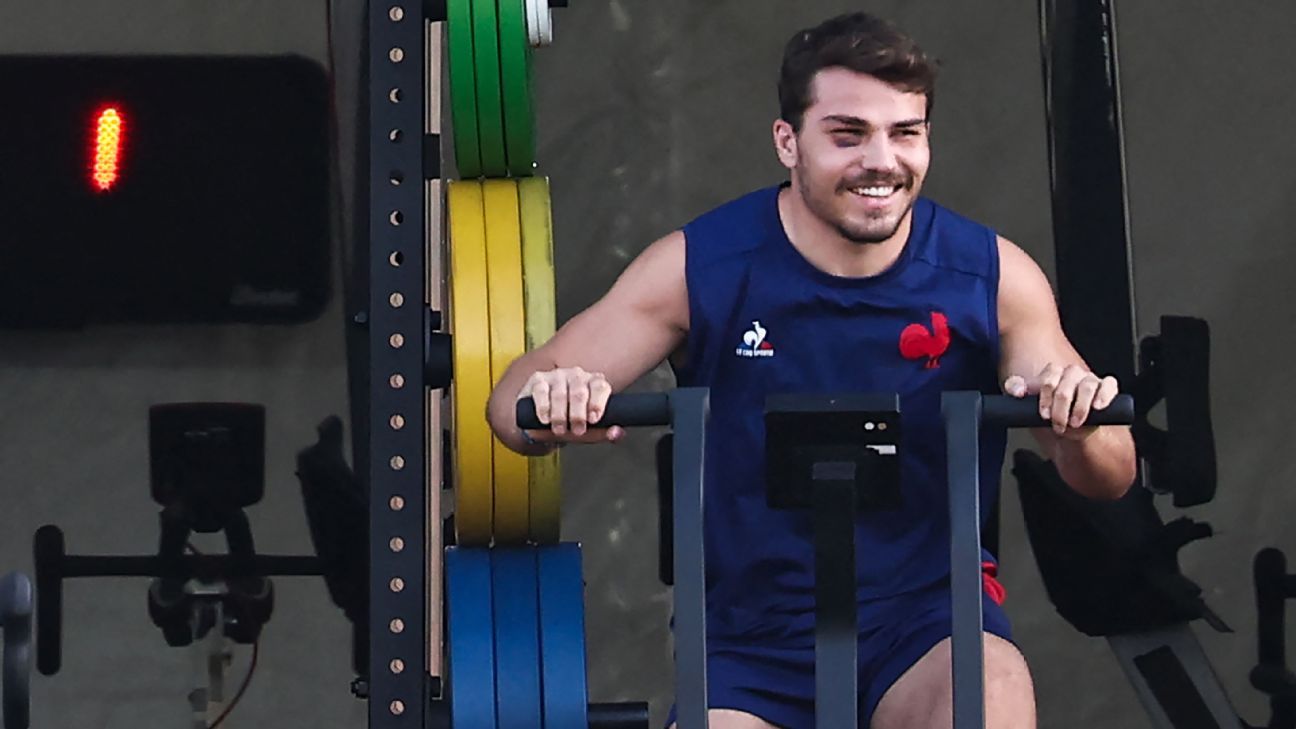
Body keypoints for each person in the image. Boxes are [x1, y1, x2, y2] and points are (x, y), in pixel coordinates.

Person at [486, 11, 1137, 729]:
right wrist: (558, 396)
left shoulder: (993, 277)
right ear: (787, 141)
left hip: (926, 625)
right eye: (848, 134)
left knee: (990, 700)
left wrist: (1078, 424)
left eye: (905, 134)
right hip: (752, 643)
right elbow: (510, 404)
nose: (881, 161)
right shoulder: (698, 267)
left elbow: (1111, 474)